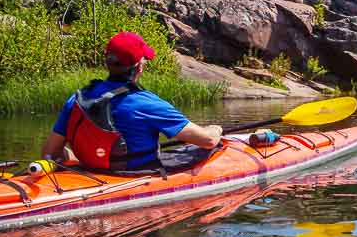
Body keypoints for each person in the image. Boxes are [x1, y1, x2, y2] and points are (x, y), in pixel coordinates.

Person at [41, 32, 222, 171]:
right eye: (144, 60)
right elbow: (207, 141)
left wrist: (87, 158)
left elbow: (49, 153)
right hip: (134, 176)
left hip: (90, 171)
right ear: (140, 67)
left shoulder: (78, 98)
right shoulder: (148, 103)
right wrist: (215, 129)